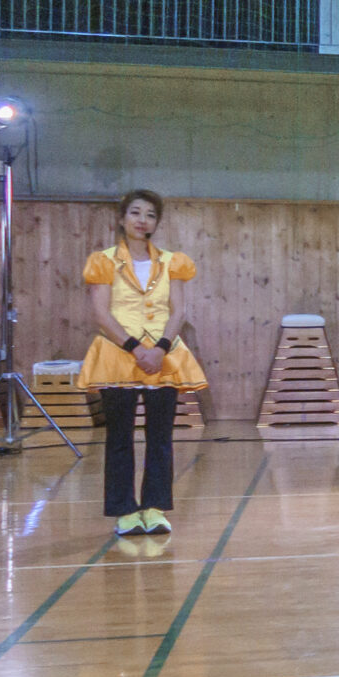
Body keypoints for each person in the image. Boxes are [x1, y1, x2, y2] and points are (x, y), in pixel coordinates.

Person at [79, 188, 208, 536]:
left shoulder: (171, 261)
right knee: (119, 436)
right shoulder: (104, 260)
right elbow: (101, 313)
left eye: (150, 214)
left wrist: (161, 348)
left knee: (160, 437)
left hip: (163, 356)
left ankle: (154, 508)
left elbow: (178, 309)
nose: (142, 220)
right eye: (135, 213)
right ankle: (124, 511)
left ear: (156, 222)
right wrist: (137, 349)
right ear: (122, 219)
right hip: (118, 355)